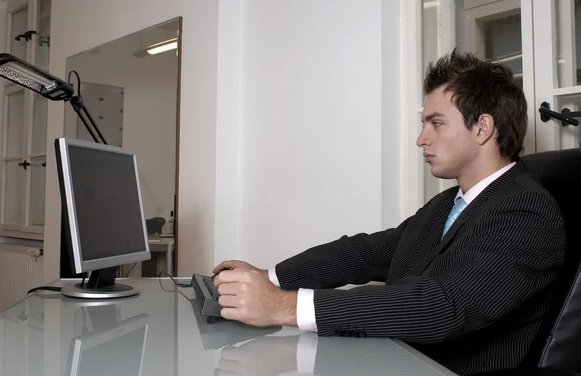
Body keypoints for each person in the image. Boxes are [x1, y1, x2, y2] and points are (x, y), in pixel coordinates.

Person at [212, 50, 567, 375]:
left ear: (483, 128)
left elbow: (443, 306)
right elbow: (364, 253)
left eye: (436, 123)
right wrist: (271, 277)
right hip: (395, 359)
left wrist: (283, 307)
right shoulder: (449, 203)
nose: (421, 139)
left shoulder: (526, 211)